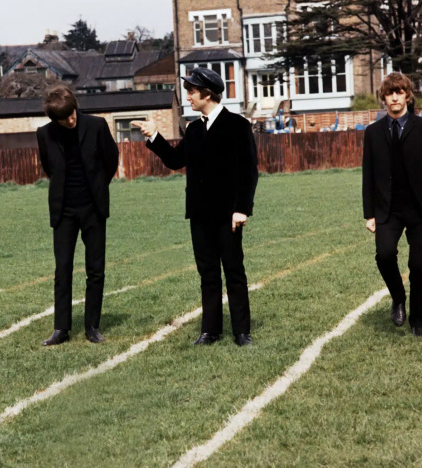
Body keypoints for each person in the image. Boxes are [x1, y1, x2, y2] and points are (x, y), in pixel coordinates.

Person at [133, 68, 258, 347]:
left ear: (208, 94)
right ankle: (210, 330)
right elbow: (176, 161)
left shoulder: (237, 125)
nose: (187, 96)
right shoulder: (194, 129)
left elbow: (249, 172)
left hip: (229, 216)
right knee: (208, 273)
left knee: (234, 271)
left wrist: (242, 209)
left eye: (192, 91)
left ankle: (242, 332)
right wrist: (154, 137)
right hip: (200, 215)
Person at [362, 72, 422, 338]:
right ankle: (398, 297)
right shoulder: (373, 133)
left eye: (400, 92)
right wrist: (369, 214)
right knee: (385, 254)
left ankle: (419, 321)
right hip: (388, 210)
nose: (395, 98)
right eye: (390, 94)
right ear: (384, 99)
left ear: (408, 96)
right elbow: (368, 175)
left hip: (420, 210)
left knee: (419, 265)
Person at [36, 85, 119, 346]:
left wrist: (97, 187)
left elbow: (111, 159)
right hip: (64, 211)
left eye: (73, 113)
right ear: (54, 119)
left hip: (93, 208)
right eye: (65, 118)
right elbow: (49, 167)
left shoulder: (97, 126)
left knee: (96, 269)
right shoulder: (44, 134)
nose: (71, 120)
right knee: (63, 270)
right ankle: (61, 329)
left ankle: (92, 326)